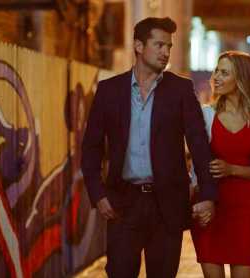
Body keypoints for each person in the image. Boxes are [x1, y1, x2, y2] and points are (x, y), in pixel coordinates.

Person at [81, 17, 217, 277]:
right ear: (139, 46)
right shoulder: (109, 90)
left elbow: (199, 146)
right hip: (123, 203)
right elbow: (91, 148)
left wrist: (208, 195)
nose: (166, 52)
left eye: (169, 46)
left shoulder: (180, 89)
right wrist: (97, 194)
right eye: (159, 45)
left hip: (167, 205)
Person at [191, 51, 250, 278]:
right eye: (216, 71)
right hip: (210, 208)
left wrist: (232, 169)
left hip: (244, 211)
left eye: (224, 72)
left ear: (241, 78)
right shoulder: (206, 115)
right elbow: (196, 167)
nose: (216, 77)